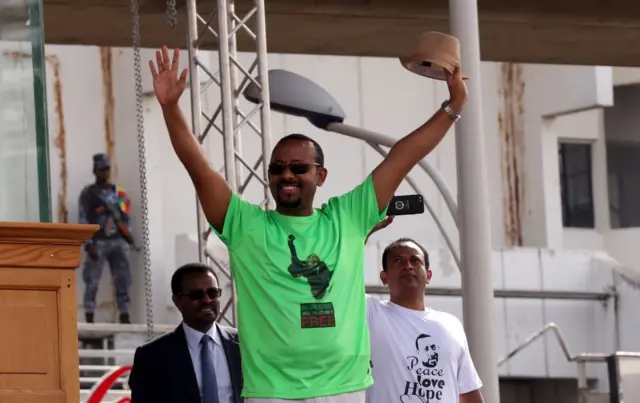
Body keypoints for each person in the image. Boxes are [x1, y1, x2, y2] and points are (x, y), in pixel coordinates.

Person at [148, 45, 468, 403]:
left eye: (299, 168)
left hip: (343, 389)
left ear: (321, 175)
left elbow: (404, 155)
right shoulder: (245, 225)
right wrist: (171, 108)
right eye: (277, 168)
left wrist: (453, 107)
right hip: (272, 393)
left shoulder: (348, 216)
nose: (287, 175)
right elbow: (198, 167)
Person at [364, 236, 484, 403]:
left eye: (415, 260)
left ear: (428, 275)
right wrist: (365, 232)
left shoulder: (451, 325)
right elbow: (343, 277)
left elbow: (468, 393)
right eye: (398, 261)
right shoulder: (370, 312)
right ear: (384, 277)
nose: (408, 266)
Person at [129, 263, 243, 403]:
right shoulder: (152, 356)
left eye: (213, 293)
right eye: (197, 295)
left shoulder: (243, 345)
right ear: (177, 301)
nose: (207, 300)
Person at [78, 153, 133, 324]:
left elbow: (126, 216)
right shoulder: (88, 193)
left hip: (117, 240)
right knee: (92, 280)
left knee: (122, 278)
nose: (105, 172)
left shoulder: (118, 192)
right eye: (102, 169)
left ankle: (124, 314)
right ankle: (89, 315)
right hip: (98, 241)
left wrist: (126, 237)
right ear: (95, 170)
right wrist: (89, 244)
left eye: (107, 168)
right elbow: (83, 219)